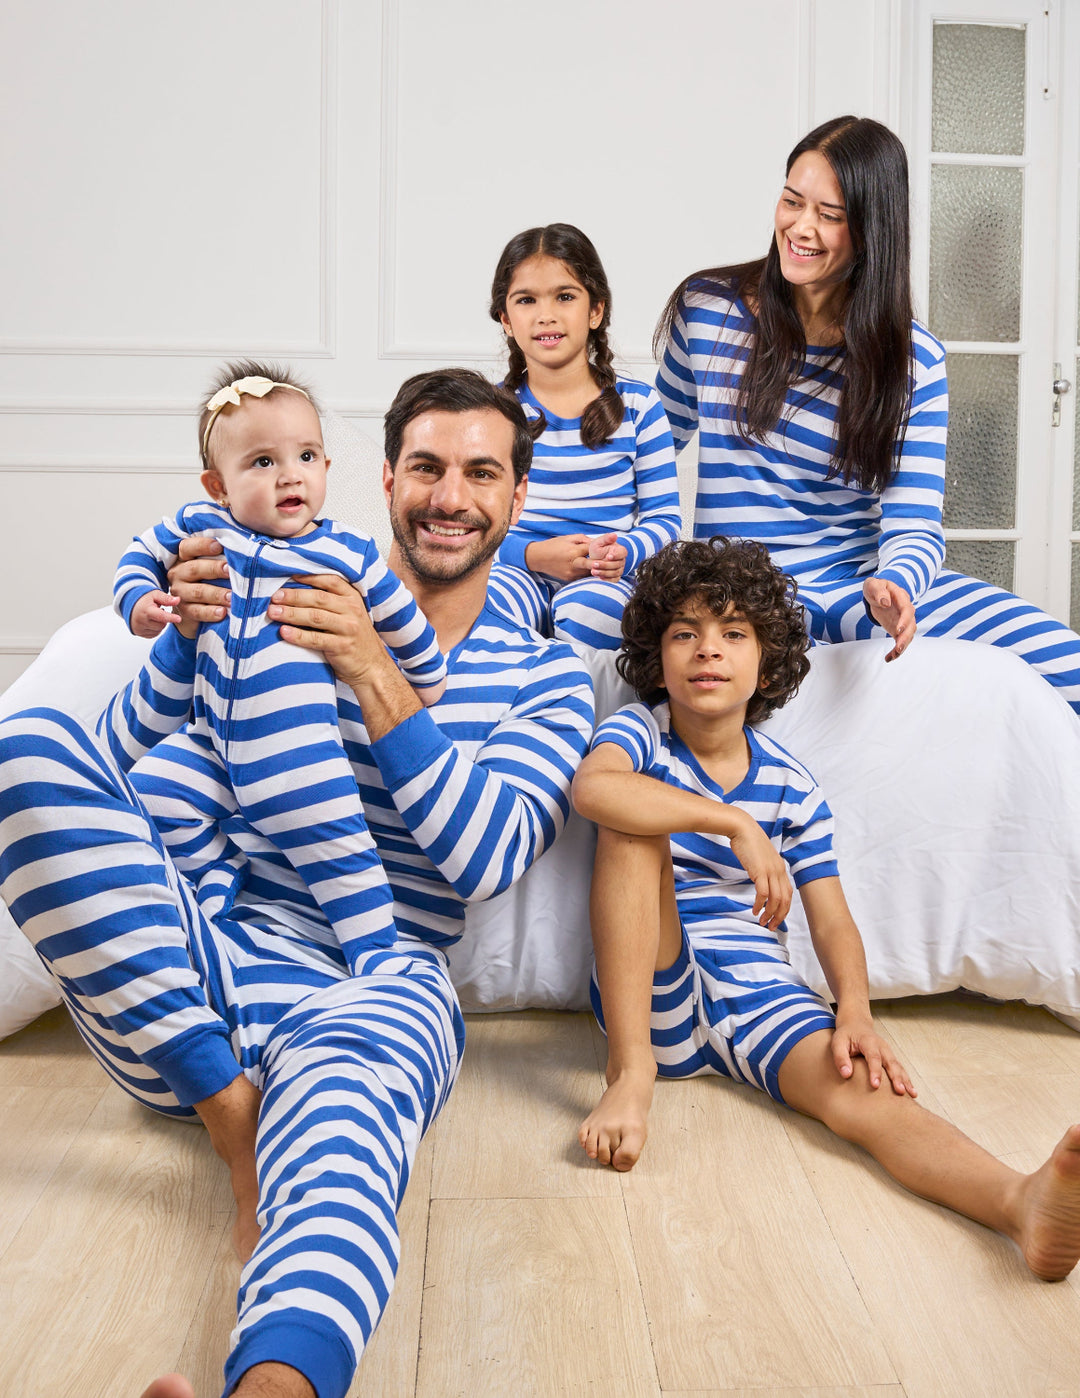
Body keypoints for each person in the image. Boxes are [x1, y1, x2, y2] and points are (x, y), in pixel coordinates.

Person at [0, 368, 594, 1398]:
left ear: (517, 498)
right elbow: (107, 774)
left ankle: (271, 1386)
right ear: (384, 479)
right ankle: (233, 1115)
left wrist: (373, 671)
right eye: (427, 468)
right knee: (26, 745)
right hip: (189, 988)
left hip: (381, 977)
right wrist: (179, 636)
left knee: (345, 1133)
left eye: (481, 473)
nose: (451, 495)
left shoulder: (547, 677)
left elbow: (487, 857)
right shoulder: (279, 596)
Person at [573, 535, 1080, 1284]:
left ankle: (1017, 1203)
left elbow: (832, 918)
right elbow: (593, 791)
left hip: (760, 993)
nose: (707, 650)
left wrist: (855, 1010)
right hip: (654, 988)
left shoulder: (790, 784)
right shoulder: (639, 734)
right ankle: (630, 1076)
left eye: (733, 633)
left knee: (869, 1098)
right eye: (685, 633)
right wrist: (730, 823)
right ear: (657, 655)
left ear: (767, 662)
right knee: (630, 824)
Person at [655, 115, 1080, 711]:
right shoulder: (707, 311)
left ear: (871, 230)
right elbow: (645, 450)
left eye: (829, 215)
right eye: (791, 202)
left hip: (855, 589)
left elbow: (914, 523)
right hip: (737, 592)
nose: (801, 228)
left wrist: (896, 586)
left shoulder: (912, 361)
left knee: (1067, 664)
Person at [112, 362, 447, 973]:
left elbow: (403, 623)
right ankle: (212, 893)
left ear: (326, 468)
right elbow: (139, 553)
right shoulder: (202, 528)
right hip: (211, 746)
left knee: (344, 863)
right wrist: (139, 600)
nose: (290, 474)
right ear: (218, 485)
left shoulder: (346, 551)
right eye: (262, 462)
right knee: (148, 797)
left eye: (307, 456)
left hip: (299, 758)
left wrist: (424, 680)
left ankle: (379, 964)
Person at [486, 222, 681, 649]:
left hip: (604, 577)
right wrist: (534, 555)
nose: (545, 314)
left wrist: (623, 554)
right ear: (506, 318)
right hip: (519, 569)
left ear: (596, 311)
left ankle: (579, 710)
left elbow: (665, 521)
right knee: (489, 603)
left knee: (589, 611)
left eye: (565, 296)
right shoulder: (490, 413)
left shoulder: (640, 407)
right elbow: (477, 521)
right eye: (526, 300)